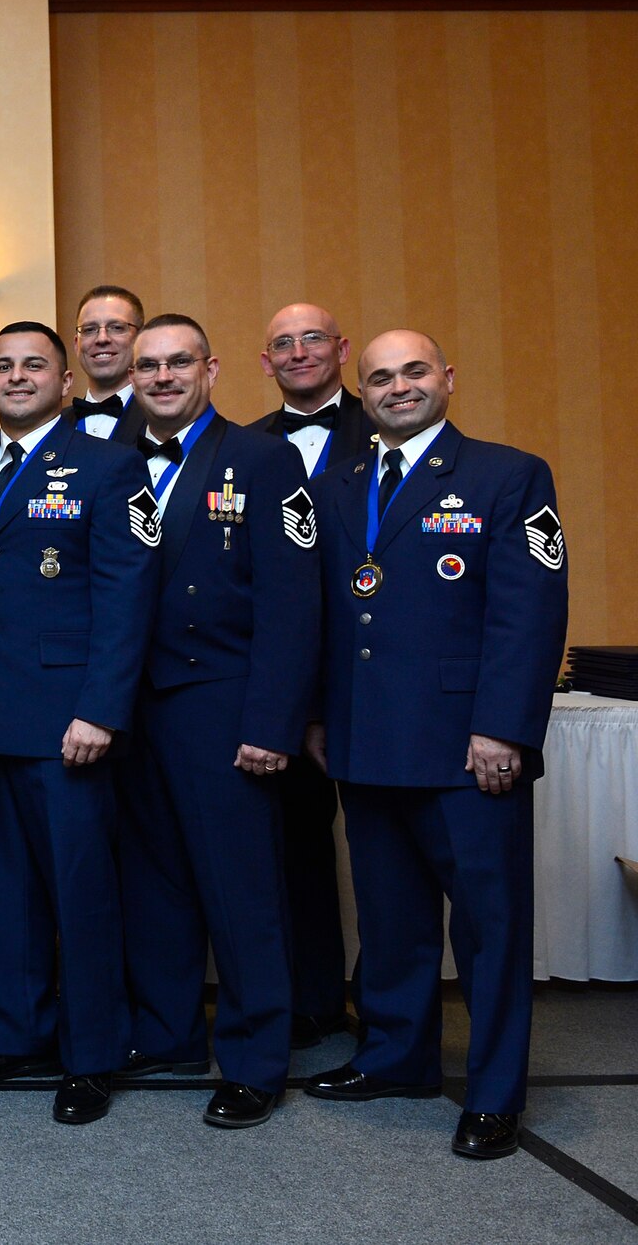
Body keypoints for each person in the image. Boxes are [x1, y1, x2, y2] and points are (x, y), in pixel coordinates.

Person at [303, 330, 568, 1162]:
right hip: (364, 741)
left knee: (488, 931)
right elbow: (318, 616)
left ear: (447, 378)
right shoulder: (337, 483)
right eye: (379, 377)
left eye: (414, 371)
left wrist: (504, 729)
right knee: (390, 922)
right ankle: (396, 1058)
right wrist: (313, 716)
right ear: (363, 391)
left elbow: (529, 614)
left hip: (466, 748)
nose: (397, 387)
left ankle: (493, 1093)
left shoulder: (509, 475)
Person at [0, 320, 158, 1125]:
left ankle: (92, 1053)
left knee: (81, 895)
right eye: (3, 366)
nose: (17, 376)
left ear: (66, 382)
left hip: (67, 720)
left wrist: (100, 708)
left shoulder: (109, 465)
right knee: (0, 895)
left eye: (35, 365)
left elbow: (127, 595)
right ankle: (14, 1033)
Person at [116, 315, 319, 1129]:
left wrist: (273, 721)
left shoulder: (266, 459)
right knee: (154, 883)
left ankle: (254, 1057)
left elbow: (293, 602)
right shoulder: (108, 461)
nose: (163, 377)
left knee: (241, 888)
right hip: (133, 706)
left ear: (213, 367)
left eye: (178, 362)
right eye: (148, 366)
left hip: (224, 702)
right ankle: (166, 1033)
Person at [251, 302, 373, 1045]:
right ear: (265, 362)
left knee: (386, 855)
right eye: (282, 345)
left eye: (312, 339)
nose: (299, 353)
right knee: (294, 846)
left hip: (371, 681)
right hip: (284, 688)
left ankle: (391, 1015)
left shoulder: (388, 428)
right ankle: (312, 999)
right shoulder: (247, 446)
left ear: (341, 349)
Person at [68, 286, 146, 443]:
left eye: (117, 328)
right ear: (77, 344)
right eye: (89, 329)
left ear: (142, 340)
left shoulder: (161, 419)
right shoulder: (54, 426)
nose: (102, 339)